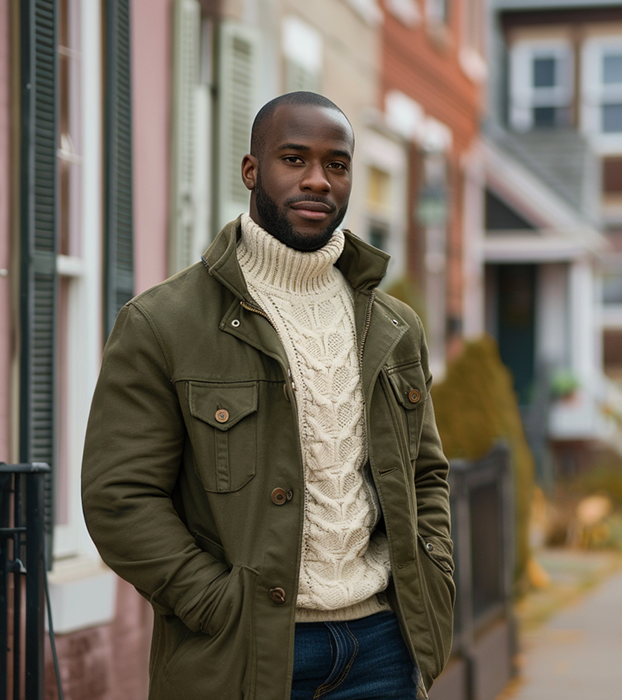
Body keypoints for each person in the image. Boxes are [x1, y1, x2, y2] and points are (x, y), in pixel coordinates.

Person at [81, 91, 454, 700]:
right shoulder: (164, 323)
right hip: (241, 656)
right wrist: (216, 605)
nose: (317, 180)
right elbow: (119, 497)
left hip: (383, 650)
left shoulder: (393, 327)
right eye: (293, 159)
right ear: (252, 170)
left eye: (337, 164)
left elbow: (426, 474)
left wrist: (432, 570)